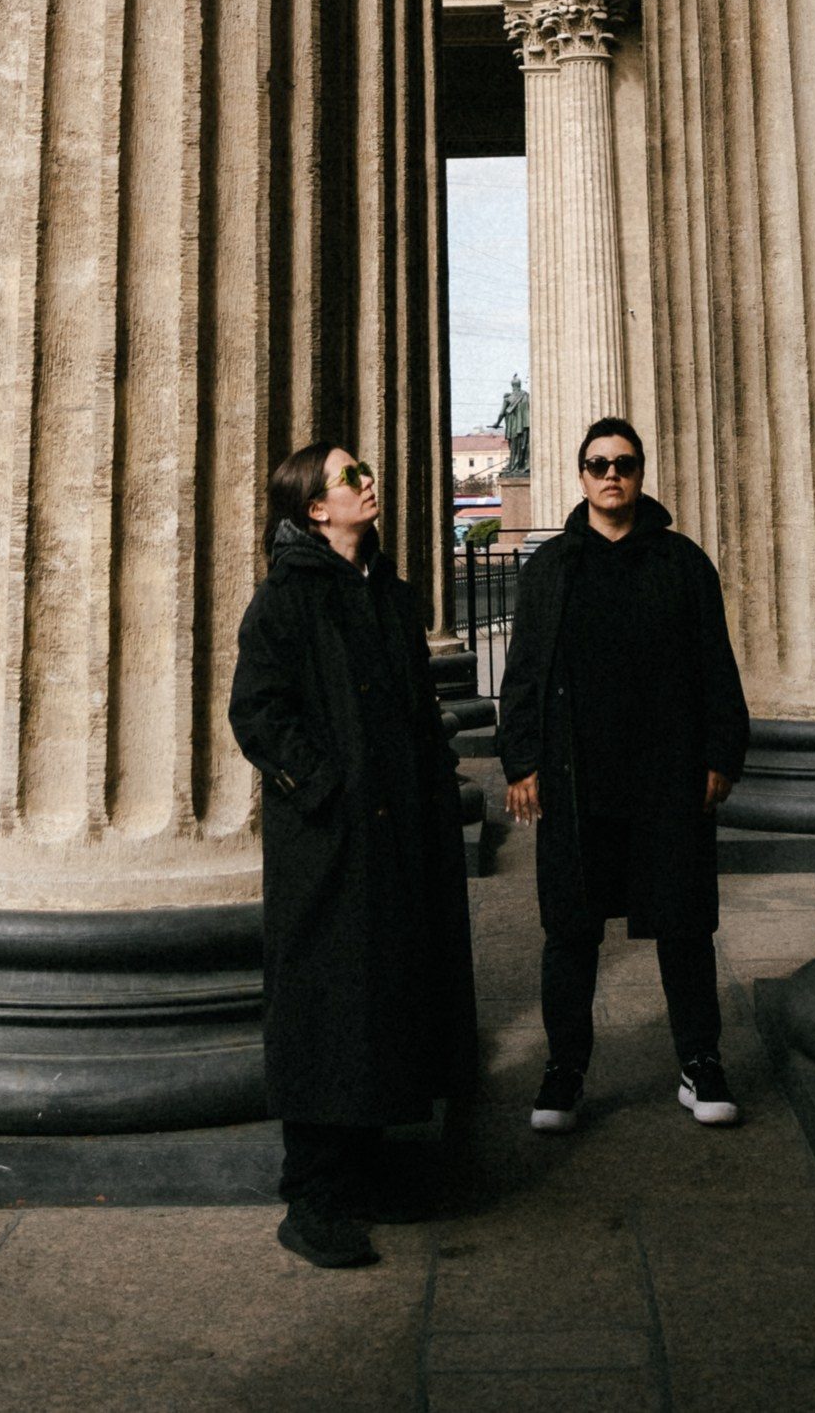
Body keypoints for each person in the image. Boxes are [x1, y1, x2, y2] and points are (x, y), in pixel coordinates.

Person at [229, 441, 476, 1271]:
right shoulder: (284, 600)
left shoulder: (391, 596)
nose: (367, 483)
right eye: (349, 478)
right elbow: (256, 713)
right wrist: (324, 787)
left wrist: (434, 787)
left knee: (387, 997)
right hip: (331, 840)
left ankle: (366, 1171)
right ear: (314, 510)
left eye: (364, 472)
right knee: (327, 1007)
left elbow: (413, 710)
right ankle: (313, 1197)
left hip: (401, 831)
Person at [498, 415, 750, 1134]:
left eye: (624, 464)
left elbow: (716, 670)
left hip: (666, 779)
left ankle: (699, 1061)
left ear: (640, 475)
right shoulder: (549, 568)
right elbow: (522, 677)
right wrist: (521, 762)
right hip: (577, 782)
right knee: (569, 932)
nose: (611, 475)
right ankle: (563, 1070)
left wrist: (720, 759)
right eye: (598, 464)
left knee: (684, 927)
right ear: (580, 476)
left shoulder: (682, 562)